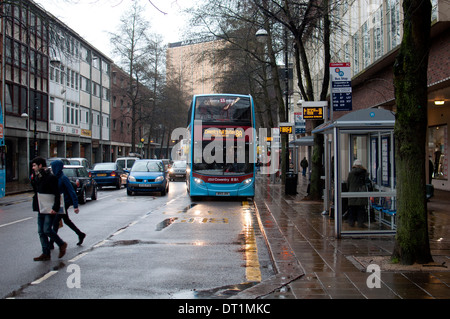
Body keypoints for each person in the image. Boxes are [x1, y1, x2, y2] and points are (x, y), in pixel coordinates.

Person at [30, 157, 67, 261]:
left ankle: (61, 244)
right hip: (40, 207)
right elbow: (36, 191)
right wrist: (34, 179)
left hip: (49, 208)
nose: (33, 168)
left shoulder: (51, 177)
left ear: (40, 165)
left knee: (46, 229)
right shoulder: (37, 177)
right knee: (41, 231)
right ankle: (45, 253)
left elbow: (56, 193)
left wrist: (55, 208)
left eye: (34, 166)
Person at [50, 160, 86, 246]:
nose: (51, 169)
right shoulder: (55, 178)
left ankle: (51, 243)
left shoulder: (63, 178)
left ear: (57, 167)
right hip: (59, 203)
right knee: (66, 221)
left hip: (64, 203)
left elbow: (71, 191)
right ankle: (80, 234)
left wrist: (75, 205)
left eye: (52, 167)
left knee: (55, 222)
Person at [346, 159, 370, 227]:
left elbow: (348, 184)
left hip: (352, 193)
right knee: (361, 209)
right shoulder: (364, 173)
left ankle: (351, 222)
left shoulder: (350, 174)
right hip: (361, 193)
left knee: (352, 209)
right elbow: (367, 183)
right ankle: (360, 223)